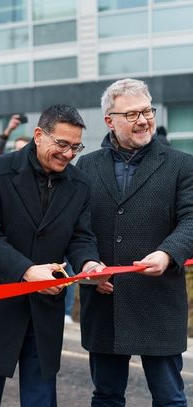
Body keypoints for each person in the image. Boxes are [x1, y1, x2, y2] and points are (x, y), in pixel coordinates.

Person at [0, 104, 102, 407]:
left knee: (41, 398)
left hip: (44, 309)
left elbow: (80, 236)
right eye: (61, 144)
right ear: (38, 135)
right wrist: (27, 271)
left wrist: (89, 263)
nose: (69, 153)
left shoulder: (80, 184)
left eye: (76, 147)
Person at [76, 78, 193, 406]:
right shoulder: (86, 166)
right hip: (104, 300)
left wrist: (168, 253)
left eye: (147, 111)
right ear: (109, 121)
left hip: (159, 300)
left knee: (169, 398)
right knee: (107, 395)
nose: (143, 120)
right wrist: (88, 265)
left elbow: (192, 220)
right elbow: (77, 228)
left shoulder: (182, 165)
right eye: (131, 114)